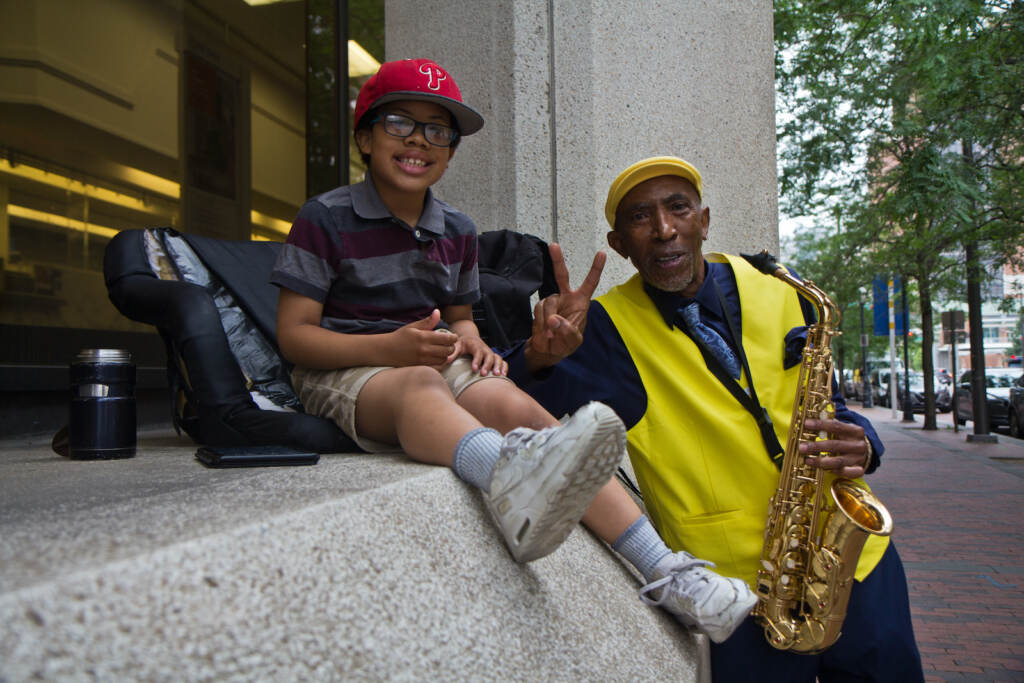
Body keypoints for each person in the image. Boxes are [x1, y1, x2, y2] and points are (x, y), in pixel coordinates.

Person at [270, 59, 754, 643]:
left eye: (438, 130)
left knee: (525, 411)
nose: (420, 139)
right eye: (400, 123)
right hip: (347, 368)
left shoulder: (456, 228)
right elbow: (294, 335)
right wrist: (392, 348)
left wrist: (473, 343)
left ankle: (667, 572)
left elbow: (459, 318)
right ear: (365, 138)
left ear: (450, 153)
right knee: (421, 386)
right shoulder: (325, 217)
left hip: (425, 357)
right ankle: (507, 479)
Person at [506, 156, 924, 682]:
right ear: (619, 245)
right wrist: (540, 356)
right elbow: (505, 392)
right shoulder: (602, 329)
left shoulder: (783, 289)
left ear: (703, 221)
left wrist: (865, 443)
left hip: (855, 560)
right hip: (736, 595)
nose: (664, 230)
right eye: (640, 217)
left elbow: (831, 406)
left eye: (678, 208)